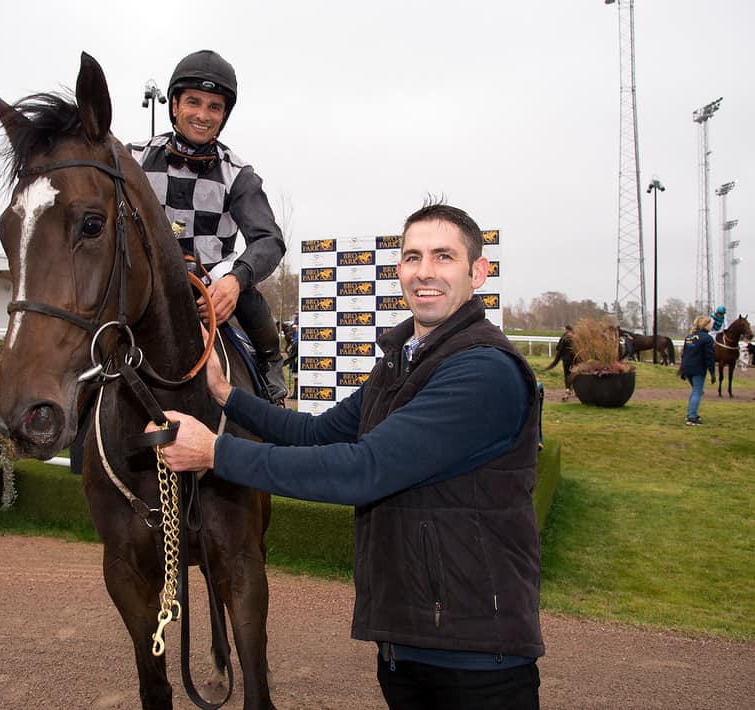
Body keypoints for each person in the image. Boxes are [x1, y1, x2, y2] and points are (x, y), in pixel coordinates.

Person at [148, 201, 544, 708]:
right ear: (399, 268)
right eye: (413, 257)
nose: (425, 272)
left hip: (478, 658)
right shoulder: (399, 363)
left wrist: (215, 453)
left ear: (478, 273)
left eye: (444, 257)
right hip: (408, 644)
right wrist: (227, 395)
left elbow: (364, 470)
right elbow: (317, 435)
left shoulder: (484, 371)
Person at [127, 49, 288, 402]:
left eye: (214, 107)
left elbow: (269, 240)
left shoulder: (239, 174)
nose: (203, 115)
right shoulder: (134, 158)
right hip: (149, 285)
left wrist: (234, 281)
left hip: (211, 286)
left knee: (247, 294)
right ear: (173, 106)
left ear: (224, 115)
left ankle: (269, 362)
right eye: (194, 102)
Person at [679, 315, 716, 426]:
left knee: (696, 391)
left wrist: (682, 369)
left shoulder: (689, 337)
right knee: (697, 391)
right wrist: (712, 372)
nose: (711, 326)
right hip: (698, 368)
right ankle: (692, 417)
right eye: (710, 324)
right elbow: (710, 357)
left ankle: (691, 413)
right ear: (705, 325)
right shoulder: (707, 338)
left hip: (687, 368)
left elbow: (684, 354)